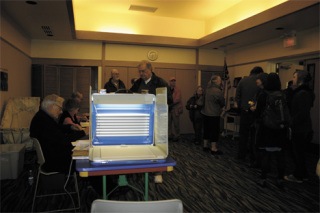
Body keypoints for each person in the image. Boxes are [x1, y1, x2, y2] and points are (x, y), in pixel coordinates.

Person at [130, 60, 172, 183]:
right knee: (141, 145)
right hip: (141, 119)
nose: (141, 74)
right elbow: (131, 96)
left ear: (150, 69)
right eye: (139, 71)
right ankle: (141, 169)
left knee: (156, 146)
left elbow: (168, 100)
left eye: (144, 71)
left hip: (157, 119)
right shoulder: (138, 83)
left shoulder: (160, 83)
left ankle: (157, 172)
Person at [30, 94, 88, 173]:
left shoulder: (42, 117)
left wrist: (70, 127)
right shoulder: (44, 122)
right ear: (52, 106)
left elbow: (56, 129)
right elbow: (64, 140)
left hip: (51, 156)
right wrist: (83, 132)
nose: (61, 111)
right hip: (56, 162)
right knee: (89, 159)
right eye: (60, 108)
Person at [254, 73, 287, 188]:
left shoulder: (264, 95)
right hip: (280, 129)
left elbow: (258, 112)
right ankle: (280, 178)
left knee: (266, 155)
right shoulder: (283, 94)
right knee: (280, 155)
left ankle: (263, 178)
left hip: (267, 128)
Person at [284, 70, 315, 183]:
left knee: (297, 153)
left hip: (301, 128)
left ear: (300, 79)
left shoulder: (303, 94)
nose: (293, 79)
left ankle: (299, 176)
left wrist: (291, 122)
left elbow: (302, 113)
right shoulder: (303, 92)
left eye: (294, 77)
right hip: (302, 127)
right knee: (299, 153)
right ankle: (304, 174)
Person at [235, 66, 264, 162]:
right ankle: (253, 157)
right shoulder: (260, 82)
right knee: (254, 136)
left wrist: (241, 107)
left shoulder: (242, 81)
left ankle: (241, 155)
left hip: (244, 112)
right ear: (259, 73)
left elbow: (237, 96)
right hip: (255, 113)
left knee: (243, 135)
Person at [201, 75, 225, 155]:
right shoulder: (218, 91)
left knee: (206, 130)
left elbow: (202, 101)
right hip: (214, 114)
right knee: (214, 131)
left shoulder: (207, 90)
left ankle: (205, 146)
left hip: (205, 113)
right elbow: (222, 103)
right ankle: (213, 148)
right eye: (220, 80)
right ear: (216, 81)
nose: (221, 81)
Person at [168, 77, 183, 142]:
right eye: (172, 81)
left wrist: (169, 103)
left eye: (174, 81)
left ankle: (177, 136)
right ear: (169, 82)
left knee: (176, 124)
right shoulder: (167, 89)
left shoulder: (178, 89)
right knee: (168, 123)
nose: (173, 82)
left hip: (175, 109)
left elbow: (177, 99)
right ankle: (169, 135)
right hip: (168, 109)